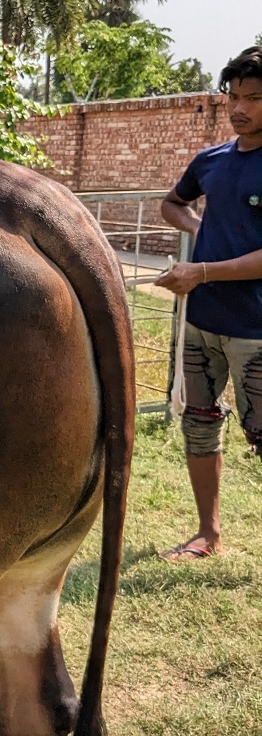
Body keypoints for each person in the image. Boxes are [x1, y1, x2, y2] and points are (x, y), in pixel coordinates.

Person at [156, 45, 262, 562]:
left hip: (256, 329)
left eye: (255, 98)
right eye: (234, 97)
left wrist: (200, 269)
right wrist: (202, 229)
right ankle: (208, 534)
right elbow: (172, 203)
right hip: (203, 323)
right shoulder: (213, 161)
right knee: (199, 421)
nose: (240, 107)